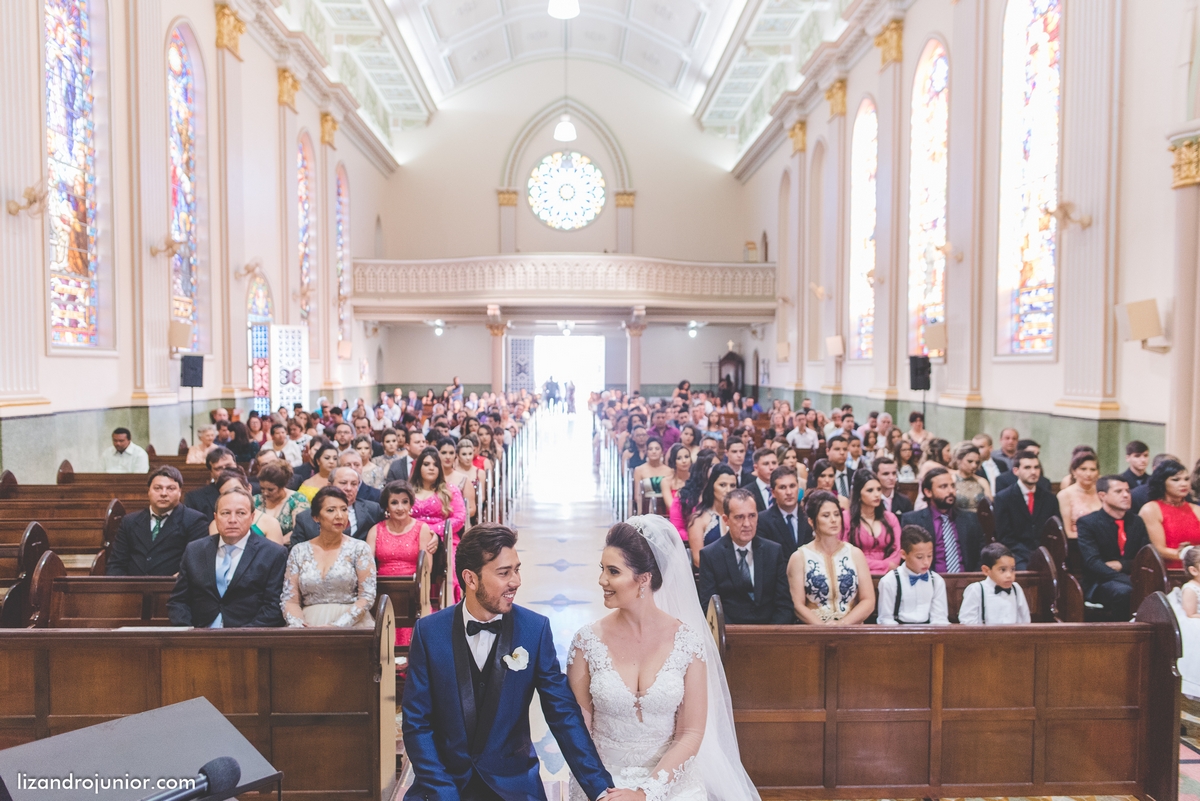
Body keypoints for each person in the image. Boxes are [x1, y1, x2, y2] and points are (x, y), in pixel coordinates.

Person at [403, 525, 617, 801]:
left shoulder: (533, 630)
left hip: (513, 785)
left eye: (517, 569)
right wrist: (443, 791)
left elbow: (562, 714)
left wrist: (600, 788)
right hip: (443, 783)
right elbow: (417, 723)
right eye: (504, 573)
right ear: (470, 578)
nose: (516, 581)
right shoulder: (429, 632)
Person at [567, 516, 761, 800]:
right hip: (603, 779)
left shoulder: (687, 642)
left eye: (613, 571)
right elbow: (578, 731)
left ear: (644, 579)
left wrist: (646, 793)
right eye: (602, 569)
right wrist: (601, 788)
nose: (602, 580)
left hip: (669, 781)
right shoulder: (586, 642)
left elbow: (691, 732)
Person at [167, 487, 289, 628]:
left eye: (240, 513)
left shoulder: (273, 553)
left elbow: (273, 606)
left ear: (252, 517)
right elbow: (178, 601)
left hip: (249, 638)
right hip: (199, 635)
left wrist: (242, 637)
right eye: (225, 513)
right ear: (215, 517)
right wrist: (189, 632)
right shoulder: (195, 550)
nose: (232, 520)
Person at [282, 486, 377, 628]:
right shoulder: (299, 551)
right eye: (331, 510)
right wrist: (299, 626)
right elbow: (290, 600)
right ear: (316, 517)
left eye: (344, 509)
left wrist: (337, 626)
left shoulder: (359, 548)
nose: (339, 515)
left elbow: (367, 597)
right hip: (308, 624)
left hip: (351, 624)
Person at [697, 488, 793, 625]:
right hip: (730, 636)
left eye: (752, 516)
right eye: (739, 517)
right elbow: (709, 607)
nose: (747, 524)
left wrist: (771, 636)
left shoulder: (773, 551)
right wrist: (734, 635)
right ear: (726, 520)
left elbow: (784, 603)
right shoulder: (711, 555)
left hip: (771, 633)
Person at [368, 481, 437, 646]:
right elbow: (368, 565)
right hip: (383, 591)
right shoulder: (375, 530)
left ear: (411, 504)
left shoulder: (422, 528)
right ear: (386, 506)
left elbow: (426, 568)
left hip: (413, 592)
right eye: (394, 502)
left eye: (405, 502)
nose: (400, 507)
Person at [107, 466, 209, 576]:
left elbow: (198, 564)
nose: (163, 493)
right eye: (158, 488)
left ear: (180, 492)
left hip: (174, 589)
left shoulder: (195, 520)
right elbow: (116, 564)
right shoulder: (130, 521)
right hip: (132, 589)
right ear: (149, 491)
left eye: (170, 488)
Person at [1076, 476, 1150, 620]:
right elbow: (1092, 562)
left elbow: (1144, 557)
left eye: (1127, 491)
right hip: (1100, 582)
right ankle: (1123, 637)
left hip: (1133, 577)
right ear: (1102, 496)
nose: (1126, 495)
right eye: (1118, 491)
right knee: (1124, 591)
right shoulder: (1088, 523)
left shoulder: (1136, 522)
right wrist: (1125, 578)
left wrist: (1122, 565)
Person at [900, 467, 984, 572]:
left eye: (952, 486)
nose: (950, 491)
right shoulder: (912, 520)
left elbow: (981, 555)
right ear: (928, 492)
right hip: (928, 582)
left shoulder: (970, 519)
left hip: (966, 581)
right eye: (943, 487)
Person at [992, 450, 1058, 569]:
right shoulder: (1004, 498)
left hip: (1045, 553)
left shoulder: (1049, 498)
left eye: (1036, 467)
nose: (1033, 472)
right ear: (1016, 471)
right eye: (1027, 467)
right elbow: (1005, 536)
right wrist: (1030, 555)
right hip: (1016, 554)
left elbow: (1054, 531)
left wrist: (1042, 554)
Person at [291, 466, 385, 546]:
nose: (349, 488)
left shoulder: (373, 510)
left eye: (354, 484)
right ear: (330, 485)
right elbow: (295, 553)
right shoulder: (304, 518)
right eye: (343, 483)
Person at [875, 526, 950, 626]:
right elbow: (885, 619)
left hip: (929, 633)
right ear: (903, 554)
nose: (926, 562)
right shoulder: (890, 581)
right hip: (898, 633)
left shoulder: (936, 580)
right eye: (919, 557)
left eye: (929, 556)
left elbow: (939, 617)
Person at [1140, 460, 1200, 568]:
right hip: (1164, 571)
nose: (1184, 484)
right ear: (1162, 482)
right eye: (1176, 480)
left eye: (1186, 479)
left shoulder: (1196, 509)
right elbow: (1159, 549)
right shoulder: (1151, 509)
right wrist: (1190, 555)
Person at [842, 470, 902, 574]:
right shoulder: (846, 518)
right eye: (870, 490)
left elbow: (897, 551)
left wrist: (887, 567)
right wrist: (885, 565)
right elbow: (845, 553)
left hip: (889, 575)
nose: (877, 494)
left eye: (879, 489)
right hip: (856, 574)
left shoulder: (890, 518)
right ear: (859, 494)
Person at [957, 543, 1030, 625]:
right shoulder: (976, 590)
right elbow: (967, 623)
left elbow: (1025, 620)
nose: (1009, 575)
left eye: (1012, 569)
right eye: (1003, 570)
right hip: (983, 637)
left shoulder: (1016, 589)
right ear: (986, 570)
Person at [206, 470, 285, 545]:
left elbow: (274, 556)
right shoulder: (216, 524)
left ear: (249, 489)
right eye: (226, 493)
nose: (233, 497)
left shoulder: (271, 523)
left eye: (237, 490)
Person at [755, 466, 811, 560]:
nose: (789, 492)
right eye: (782, 487)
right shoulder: (763, 521)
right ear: (773, 492)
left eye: (792, 486)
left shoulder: (809, 515)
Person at [689, 464, 739, 560]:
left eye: (732, 485)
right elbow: (697, 559)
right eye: (722, 485)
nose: (728, 490)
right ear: (712, 486)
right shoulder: (698, 519)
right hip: (711, 572)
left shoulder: (741, 516)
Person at [255, 461, 309, 544]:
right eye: (262, 488)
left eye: (270, 490)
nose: (265, 493)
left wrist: (274, 545)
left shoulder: (298, 500)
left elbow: (299, 531)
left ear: (282, 486)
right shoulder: (255, 500)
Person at [669, 448, 715, 544]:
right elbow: (677, 529)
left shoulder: (724, 494)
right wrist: (697, 538)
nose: (716, 469)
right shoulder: (683, 496)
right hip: (691, 545)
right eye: (711, 466)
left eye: (717, 466)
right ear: (701, 469)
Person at [183, 447, 236, 522]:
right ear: (211, 472)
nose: (225, 471)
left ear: (236, 465)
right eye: (219, 468)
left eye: (229, 466)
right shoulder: (195, 498)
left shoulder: (255, 490)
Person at [1057, 451, 1102, 538]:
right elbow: (1067, 533)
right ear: (1074, 472)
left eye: (1092, 470)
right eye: (1083, 469)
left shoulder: (1102, 493)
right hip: (1076, 544)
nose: (1088, 474)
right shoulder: (1065, 495)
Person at [632, 437, 672, 513]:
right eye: (650, 449)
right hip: (646, 509)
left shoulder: (669, 471)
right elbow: (637, 496)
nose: (654, 452)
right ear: (646, 452)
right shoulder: (639, 470)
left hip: (666, 508)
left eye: (657, 449)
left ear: (662, 452)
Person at [951, 442, 991, 513]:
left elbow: (990, 506)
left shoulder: (982, 481)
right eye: (970, 461)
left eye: (977, 462)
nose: (974, 466)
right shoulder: (951, 479)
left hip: (979, 521)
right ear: (959, 460)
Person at [741, 447, 779, 512]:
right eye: (766, 464)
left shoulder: (784, 488)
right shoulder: (746, 492)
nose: (771, 467)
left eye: (774, 463)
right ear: (756, 468)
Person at [662, 443, 692, 522]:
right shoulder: (666, 482)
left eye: (686, 457)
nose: (684, 461)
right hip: (674, 521)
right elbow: (671, 506)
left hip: (693, 519)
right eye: (679, 458)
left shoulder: (695, 479)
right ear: (673, 461)